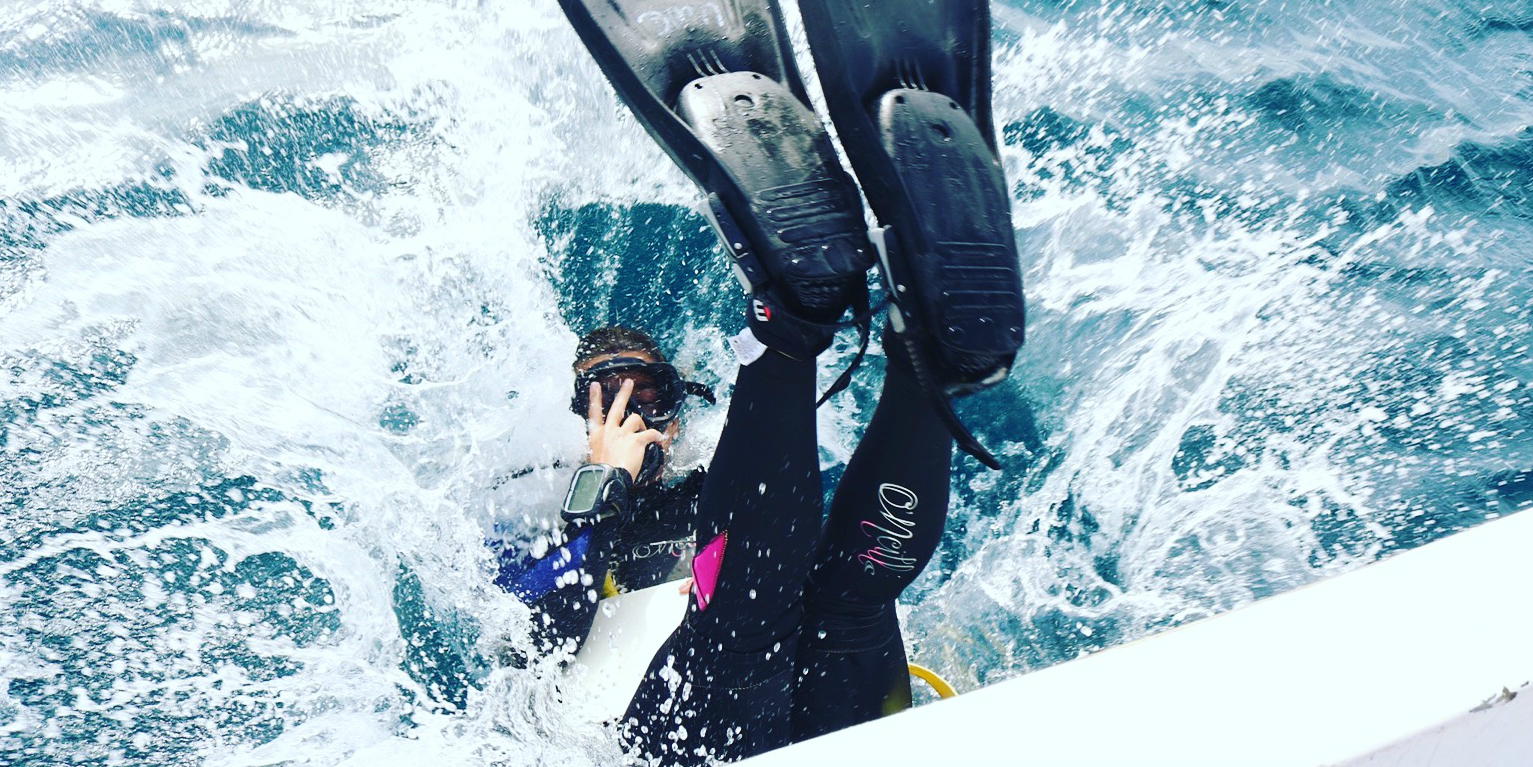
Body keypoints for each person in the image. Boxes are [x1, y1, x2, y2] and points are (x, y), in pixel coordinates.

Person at [522, 0, 1029, 763]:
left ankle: (806, 325)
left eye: (647, 392)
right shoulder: (551, 519)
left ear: (681, 396)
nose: (631, 414)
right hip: (735, 730)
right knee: (811, 614)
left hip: (755, 719)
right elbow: (528, 627)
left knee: (834, 605)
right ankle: (929, 356)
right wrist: (599, 491)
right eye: (603, 397)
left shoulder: (730, 478)